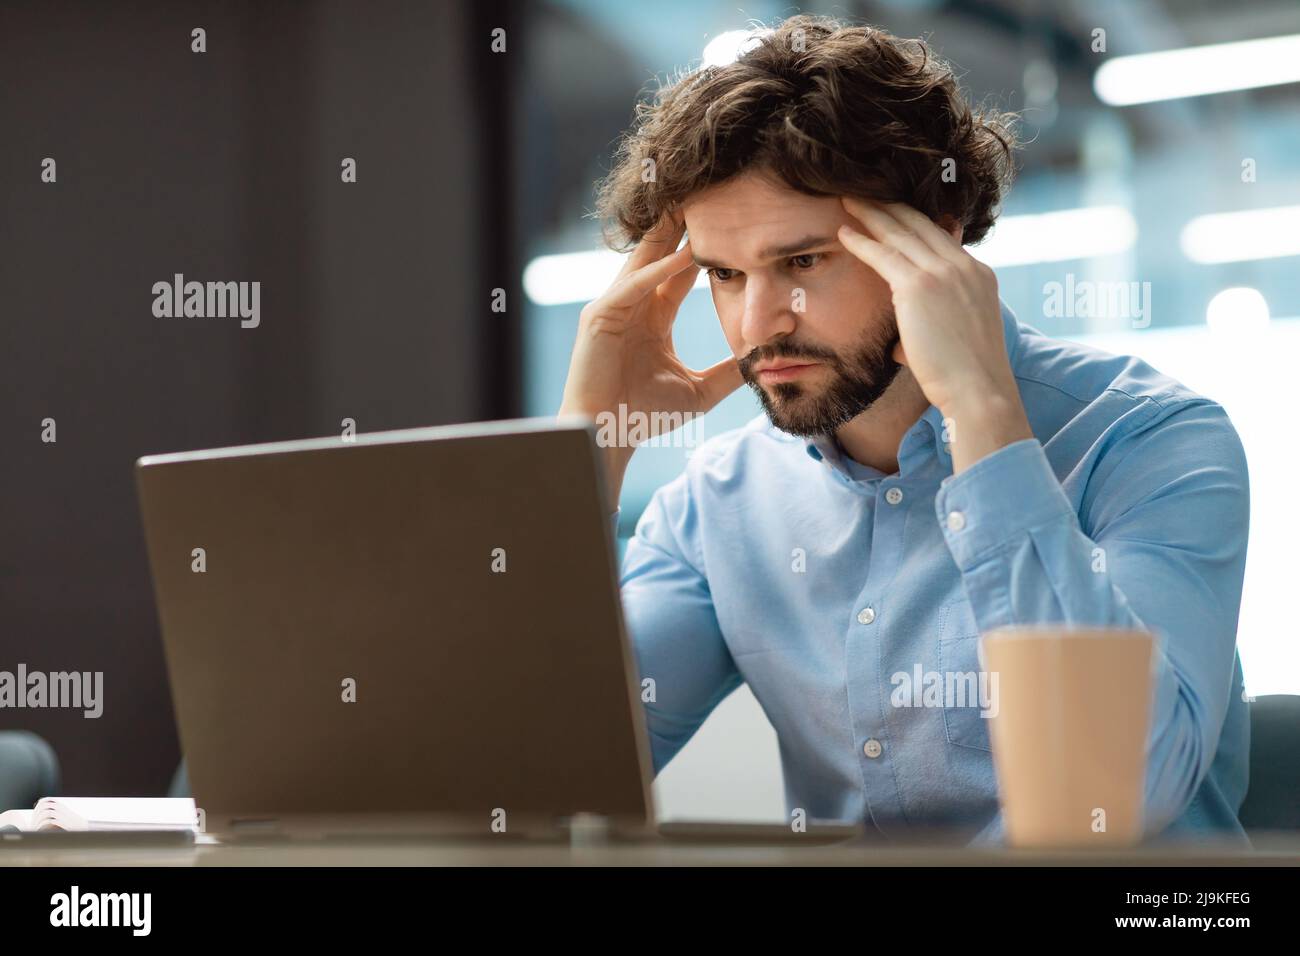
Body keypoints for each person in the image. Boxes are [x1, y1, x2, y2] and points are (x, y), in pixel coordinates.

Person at [559, 14, 1250, 843]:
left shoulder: (1151, 443)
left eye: (802, 262)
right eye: (725, 274)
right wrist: (588, 448)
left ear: (937, 235)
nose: (758, 321)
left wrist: (985, 417)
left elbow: (1110, 803)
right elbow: (536, 785)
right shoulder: (715, 508)